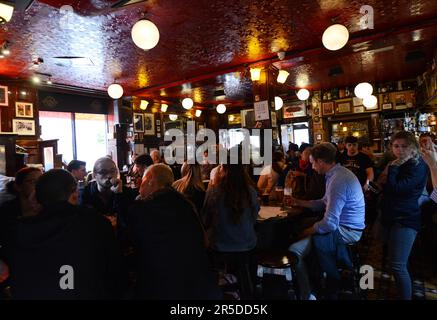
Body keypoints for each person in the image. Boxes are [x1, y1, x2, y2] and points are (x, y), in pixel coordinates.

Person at [1, 169, 126, 299]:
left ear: (36, 197)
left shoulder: (19, 229)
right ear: (74, 194)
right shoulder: (95, 222)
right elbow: (116, 274)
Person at [127, 164, 220, 299]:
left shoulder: (142, 209)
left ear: (151, 180)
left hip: (160, 286)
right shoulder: (186, 204)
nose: (140, 184)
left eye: (142, 179)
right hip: (199, 284)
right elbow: (205, 242)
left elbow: (132, 243)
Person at [288, 142, 365, 300]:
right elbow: (324, 202)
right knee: (302, 227)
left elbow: (329, 224)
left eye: (312, 163)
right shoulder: (336, 174)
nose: (312, 167)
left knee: (295, 249)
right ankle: (318, 279)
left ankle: (314, 290)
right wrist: (298, 202)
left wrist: (305, 232)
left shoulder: (338, 179)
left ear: (320, 161)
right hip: (346, 225)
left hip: (348, 230)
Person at [377, 131, 428, 299]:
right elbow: (385, 186)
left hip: (405, 218)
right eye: (396, 146)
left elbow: (397, 189)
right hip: (392, 215)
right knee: (400, 263)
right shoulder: (399, 163)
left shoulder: (417, 164)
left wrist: (391, 170)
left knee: (398, 265)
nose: (399, 150)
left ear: (413, 147)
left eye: (404, 146)